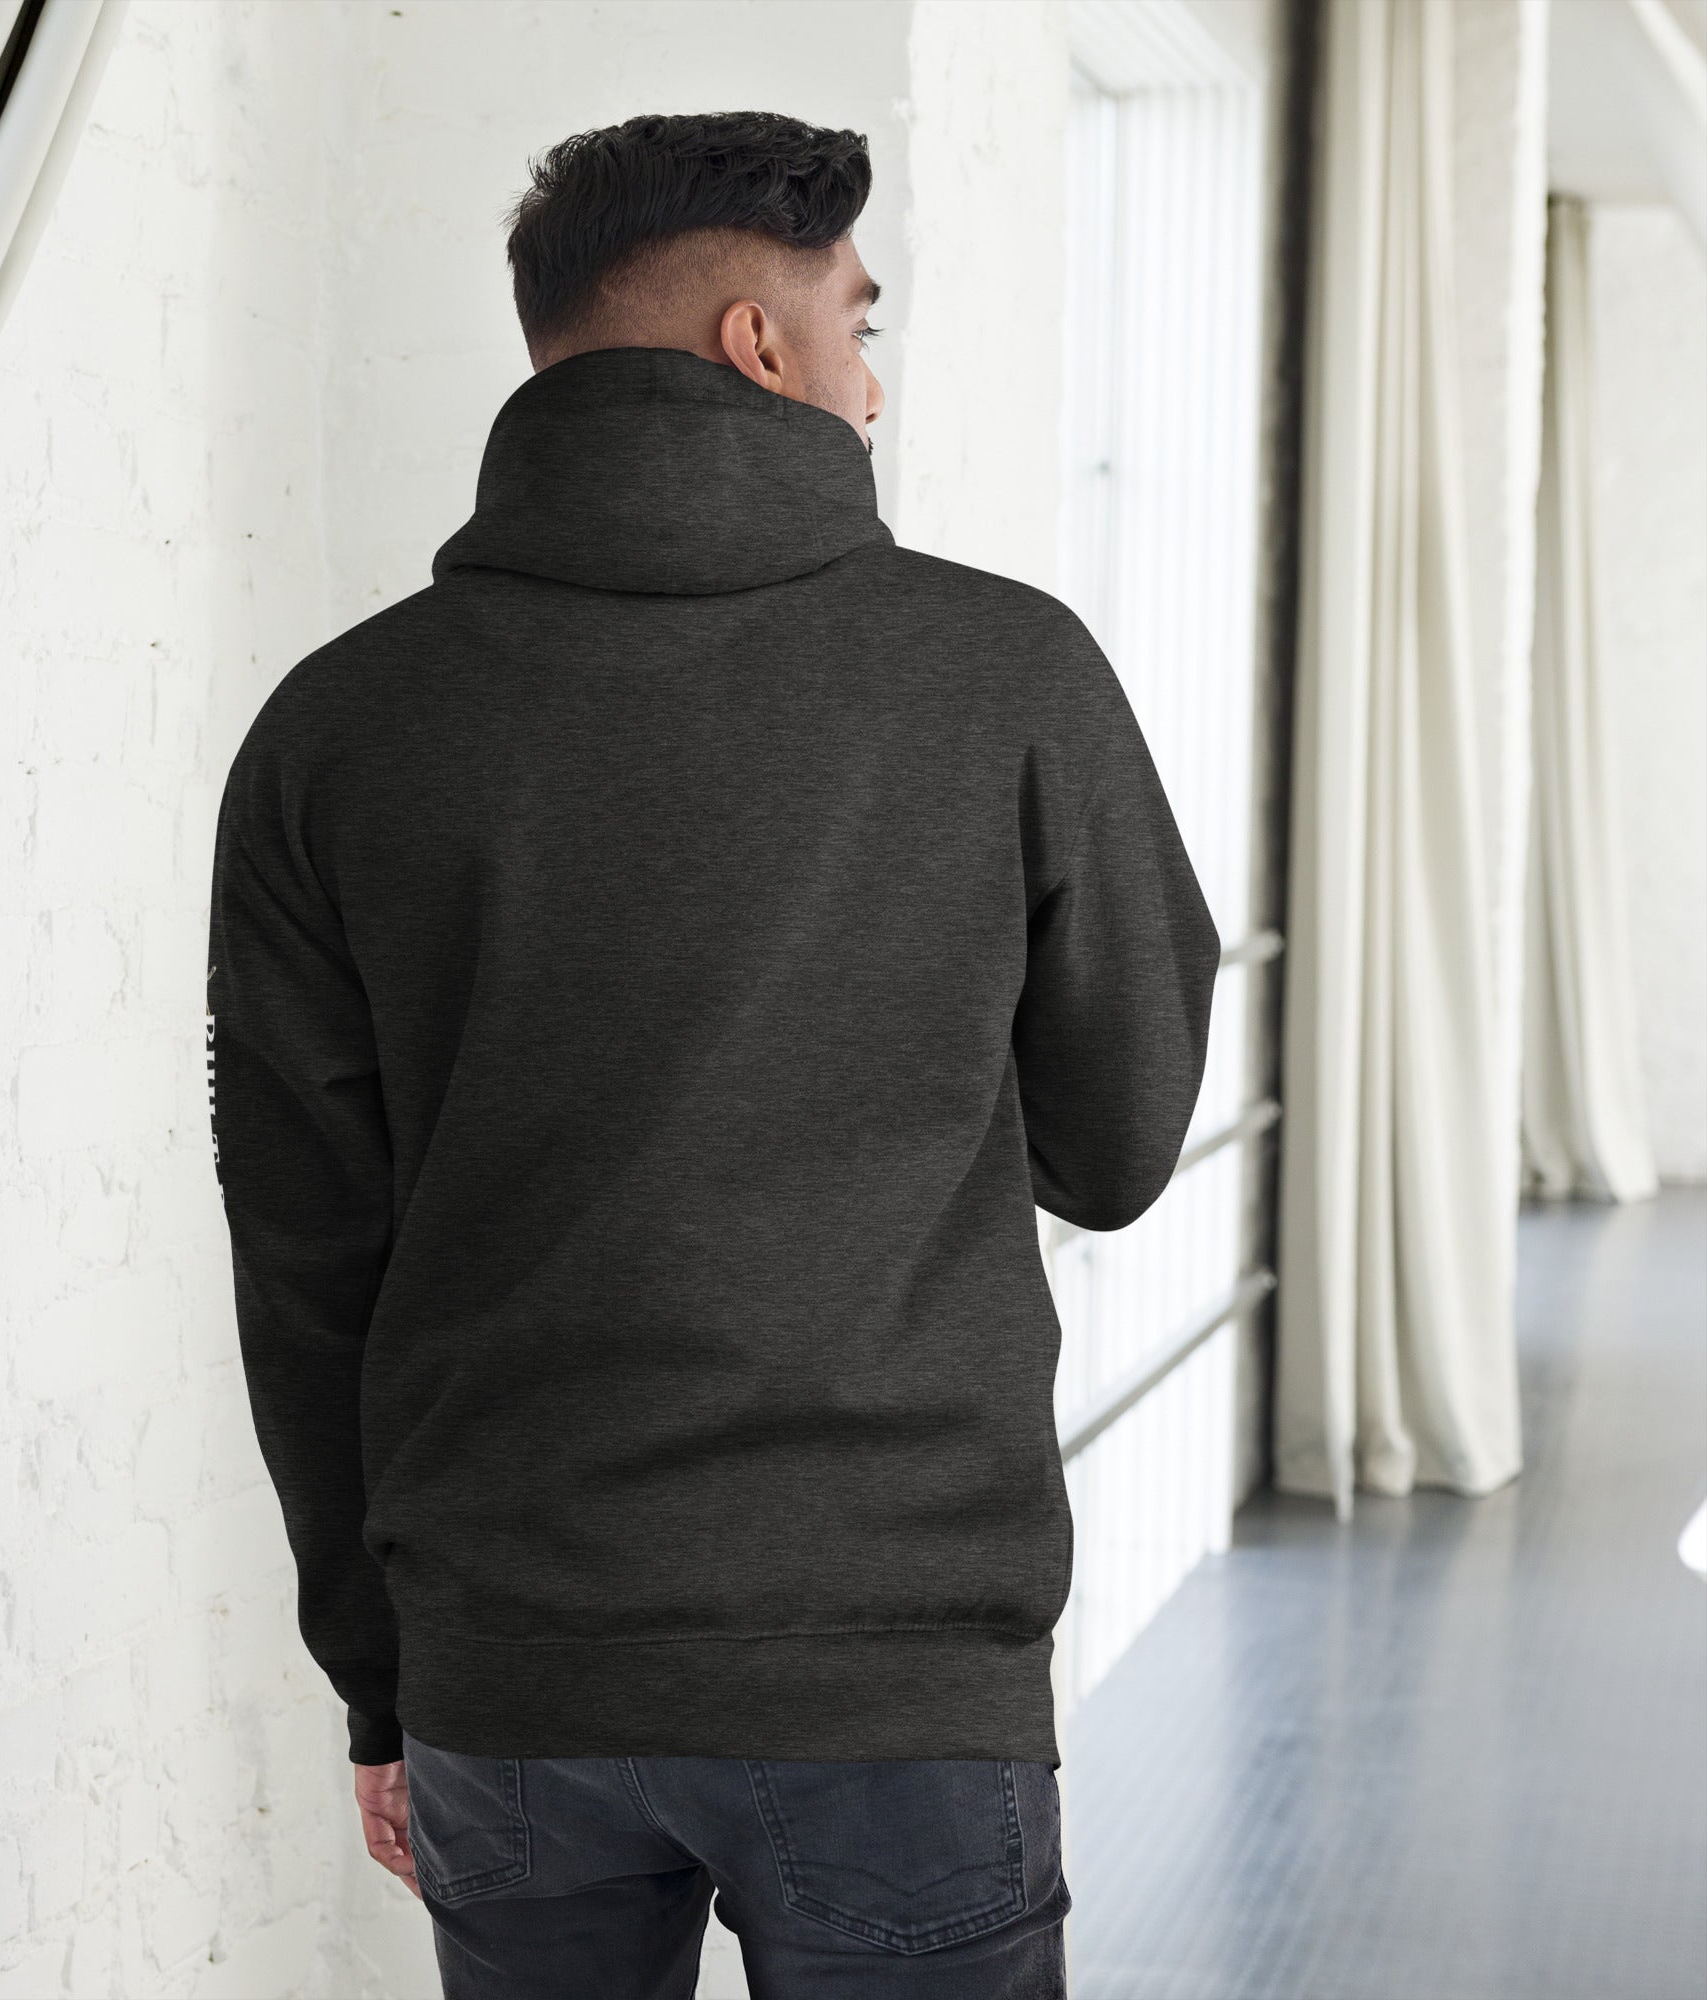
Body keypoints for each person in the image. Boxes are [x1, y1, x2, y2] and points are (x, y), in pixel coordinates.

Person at [206, 110, 1219, 1999]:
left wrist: (381, 1678)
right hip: (895, 1668)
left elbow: (305, 1259)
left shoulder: (337, 728)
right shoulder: (1007, 673)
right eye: (859, 324)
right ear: (759, 345)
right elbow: (1120, 1141)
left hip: (510, 1674)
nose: (872, 384)